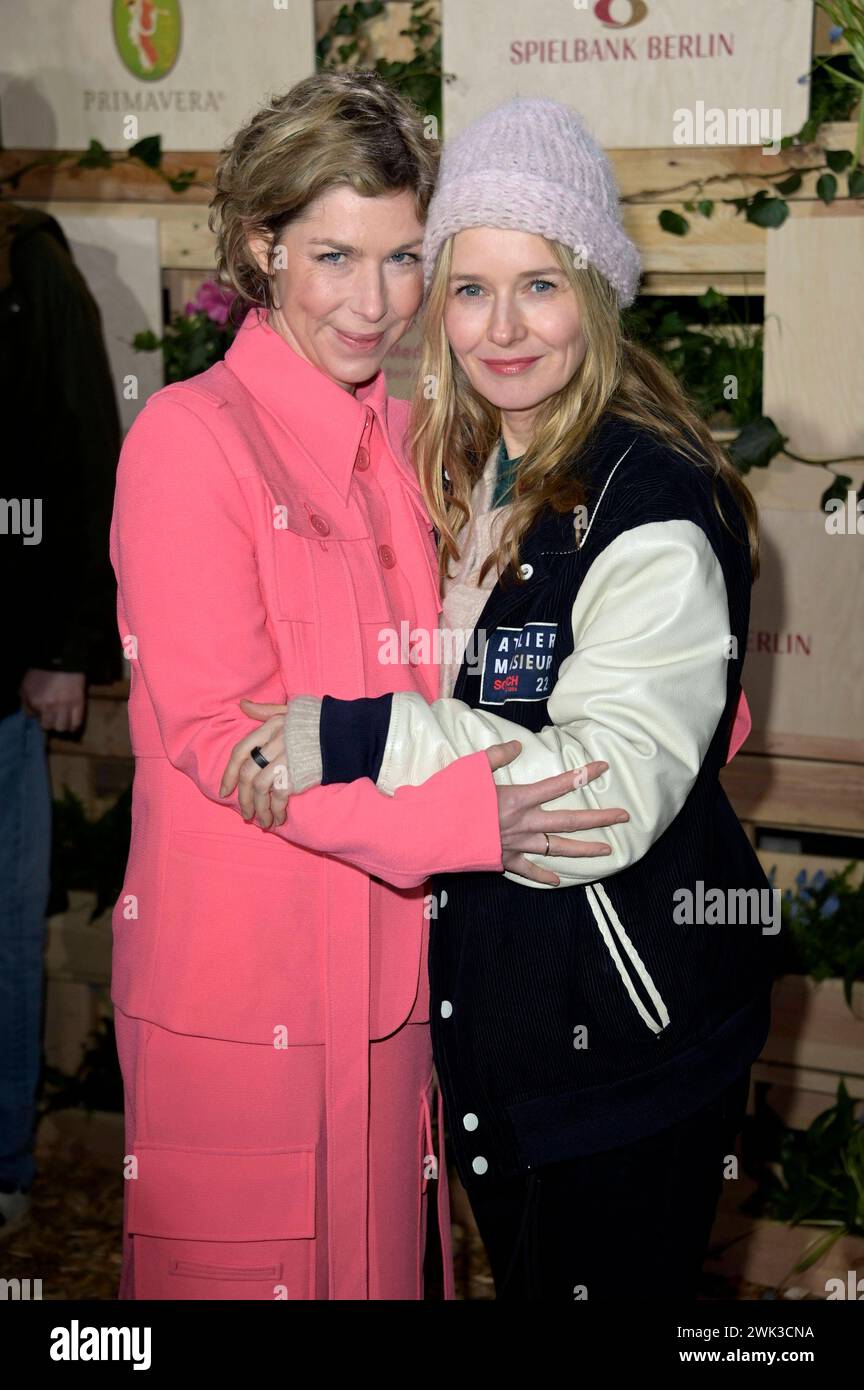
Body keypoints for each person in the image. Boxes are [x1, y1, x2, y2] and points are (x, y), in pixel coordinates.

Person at [223, 97, 779, 1300]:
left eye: (540, 284)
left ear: (597, 286)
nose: (502, 327)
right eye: (469, 287)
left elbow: (603, 792)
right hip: (516, 1038)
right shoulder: (479, 465)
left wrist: (356, 735)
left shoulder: (653, 498)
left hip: (632, 1048)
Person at [108, 74, 625, 1301]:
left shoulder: (413, 439)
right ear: (259, 243)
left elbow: (511, 646)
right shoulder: (189, 440)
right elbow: (232, 742)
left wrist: (661, 689)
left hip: (400, 1002)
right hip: (243, 1011)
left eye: (404, 260)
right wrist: (466, 819)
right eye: (335, 255)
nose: (375, 302)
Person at [0, 203, 122, 1239]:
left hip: (0, 679)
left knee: (3, 929)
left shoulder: (28, 263)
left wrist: (64, 643)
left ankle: (2, 1167)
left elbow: (84, 449)